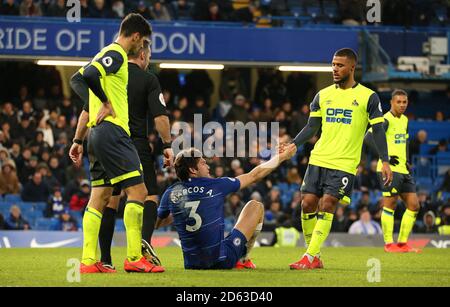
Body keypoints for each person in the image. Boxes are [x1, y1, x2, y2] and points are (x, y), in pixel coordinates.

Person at [68, 13, 159, 274]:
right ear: (137, 37)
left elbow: (78, 80)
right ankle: (133, 257)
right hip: (113, 132)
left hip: (96, 135)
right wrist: (106, 102)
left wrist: (78, 138)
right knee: (139, 192)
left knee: (100, 196)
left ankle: (87, 262)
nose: (142, 49)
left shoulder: (104, 55)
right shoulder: (117, 52)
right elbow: (84, 77)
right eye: (143, 44)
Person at [286, 48, 392, 270]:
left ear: (352, 67)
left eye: (340, 65)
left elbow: (379, 131)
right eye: (333, 64)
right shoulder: (323, 95)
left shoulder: (368, 96)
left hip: (344, 163)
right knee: (307, 204)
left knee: (327, 204)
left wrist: (385, 160)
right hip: (318, 159)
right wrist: (294, 144)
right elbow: (312, 126)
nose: (335, 68)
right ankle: (314, 255)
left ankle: (309, 256)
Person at [156, 146, 297, 270]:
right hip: (222, 260)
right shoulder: (216, 185)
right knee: (256, 206)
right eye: (203, 163)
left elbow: (156, 224)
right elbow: (254, 175)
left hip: (191, 264)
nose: (208, 166)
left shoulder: (171, 192)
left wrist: (179, 213)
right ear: (193, 169)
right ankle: (243, 259)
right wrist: (282, 157)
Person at [365, 89, 421, 253]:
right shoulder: (385, 120)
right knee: (390, 204)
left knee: (414, 205)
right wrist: (386, 158)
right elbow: (368, 138)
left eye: (404, 102)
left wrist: (407, 161)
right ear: (391, 103)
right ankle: (389, 244)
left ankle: (402, 244)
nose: (402, 105)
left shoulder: (404, 120)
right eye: (399, 102)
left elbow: (405, 142)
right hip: (388, 169)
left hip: (403, 168)